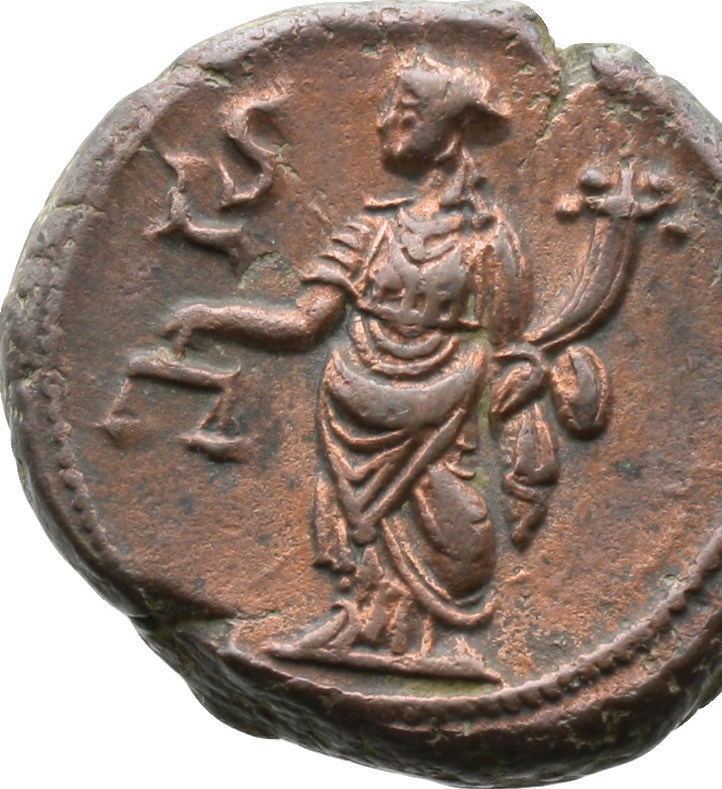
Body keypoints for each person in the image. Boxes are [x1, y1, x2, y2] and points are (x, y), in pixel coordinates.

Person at [165, 54, 555, 664]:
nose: (382, 121)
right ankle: (359, 625)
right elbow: (305, 323)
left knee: (465, 547)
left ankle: (429, 640)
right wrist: (212, 316)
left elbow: (509, 347)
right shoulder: (370, 229)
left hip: (447, 411)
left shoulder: (488, 237)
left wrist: (522, 410)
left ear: (449, 129)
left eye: (405, 111)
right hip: (356, 402)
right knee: (362, 536)